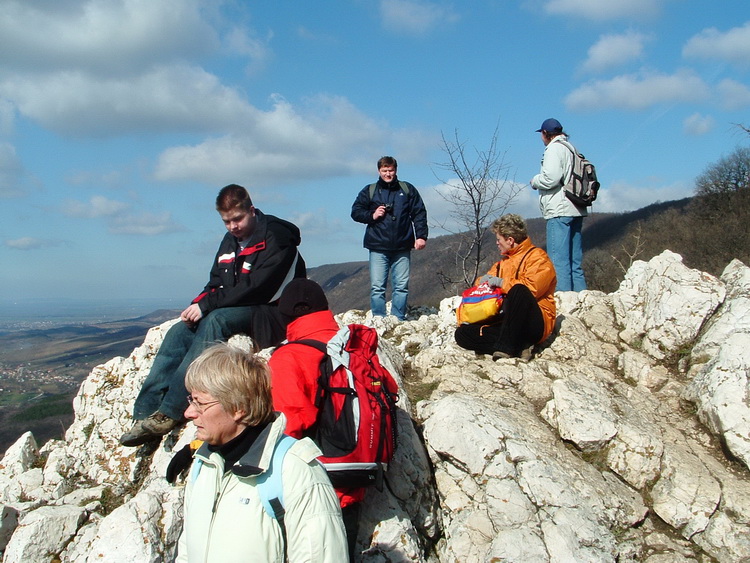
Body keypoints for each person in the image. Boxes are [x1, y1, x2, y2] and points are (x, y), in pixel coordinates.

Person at [120, 184, 306, 447]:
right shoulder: (230, 240)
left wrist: (208, 307)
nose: (232, 226)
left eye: (238, 219)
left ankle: (170, 411)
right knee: (179, 330)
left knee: (215, 320)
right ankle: (144, 414)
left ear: (251, 210)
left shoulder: (277, 238)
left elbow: (259, 289)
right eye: (226, 221)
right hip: (240, 307)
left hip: (273, 314)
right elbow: (217, 281)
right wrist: (199, 303)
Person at [175, 343, 348, 562]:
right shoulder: (204, 464)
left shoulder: (295, 470)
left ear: (238, 408)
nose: (188, 413)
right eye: (191, 400)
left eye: (200, 403)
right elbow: (187, 551)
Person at [268, 278, 364, 560]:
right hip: (358, 473)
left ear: (291, 313)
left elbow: (288, 426)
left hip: (318, 489)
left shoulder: (290, 356)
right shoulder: (354, 345)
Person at [454, 214, 556, 360]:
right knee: (462, 334)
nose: (497, 243)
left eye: (498, 239)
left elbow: (531, 289)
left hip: (534, 321)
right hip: (507, 321)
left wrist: (501, 283)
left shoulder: (538, 258)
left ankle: (505, 349)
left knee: (518, 291)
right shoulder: (502, 263)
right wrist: (482, 281)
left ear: (510, 240)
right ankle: (519, 346)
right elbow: (482, 283)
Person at [351, 156, 428, 321]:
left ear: (396, 170)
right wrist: (372, 215)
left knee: (401, 286)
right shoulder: (370, 190)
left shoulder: (407, 189)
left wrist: (421, 236)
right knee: (377, 287)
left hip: (403, 244)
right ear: (379, 171)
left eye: (391, 170)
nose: (388, 174)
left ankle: (398, 318)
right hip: (378, 245)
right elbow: (356, 212)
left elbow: (419, 213)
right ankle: (379, 319)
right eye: (384, 170)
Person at [530, 118, 587, 292]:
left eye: (542, 134)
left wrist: (535, 181)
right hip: (576, 207)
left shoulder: (554, 149)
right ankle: (582, 300)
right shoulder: (572, 149)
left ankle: (564, 304)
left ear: (546, 134)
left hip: (559, 208)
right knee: (574, 262)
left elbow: (551, 178)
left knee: (558, 262)